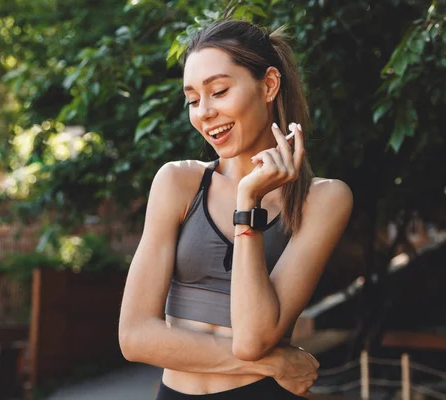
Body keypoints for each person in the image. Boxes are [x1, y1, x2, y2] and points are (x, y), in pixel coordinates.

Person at [118, 19, 353, 399]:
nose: (204, 112)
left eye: (220, 91)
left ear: (269, 85)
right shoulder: (177, 182)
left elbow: (253, 339)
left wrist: (249, 203)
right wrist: (274, 362)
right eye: (193, 100)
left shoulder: (323, 199)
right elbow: (134, 337)